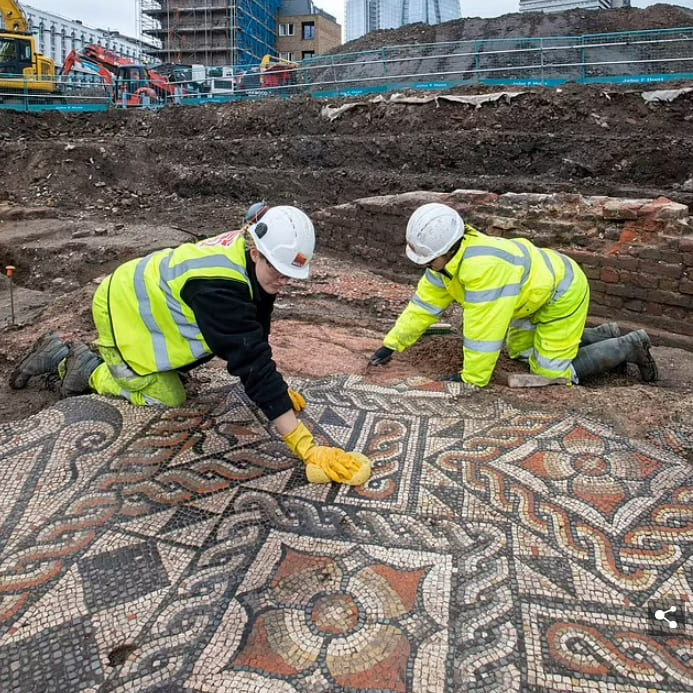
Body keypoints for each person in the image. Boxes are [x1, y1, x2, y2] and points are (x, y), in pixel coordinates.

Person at [10, 203, 371, 487]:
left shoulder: (251, 259)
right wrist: (305, 446)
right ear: (257, 252)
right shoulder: (220, 288)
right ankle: (80, 366)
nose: (284, 280)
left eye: (290, 274)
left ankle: (98, 360)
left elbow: (255, 328)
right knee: (167, 396)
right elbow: (250, 362)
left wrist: (276, 391)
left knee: (209, 348)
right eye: (279, 269)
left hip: (149, 305)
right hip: (123, 312)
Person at [369, 202, 658, 388]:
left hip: (561, 294)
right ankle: (603, 333)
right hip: (530, 297)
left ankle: (628, 346)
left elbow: (483, 333)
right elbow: (422, 306)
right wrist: (392, 345)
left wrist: (471, 379)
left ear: (445, 250)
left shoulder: (483, 270)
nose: (424, 266)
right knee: (521, 354)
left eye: (426, 259)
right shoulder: (444, 266)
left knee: (549, 373)